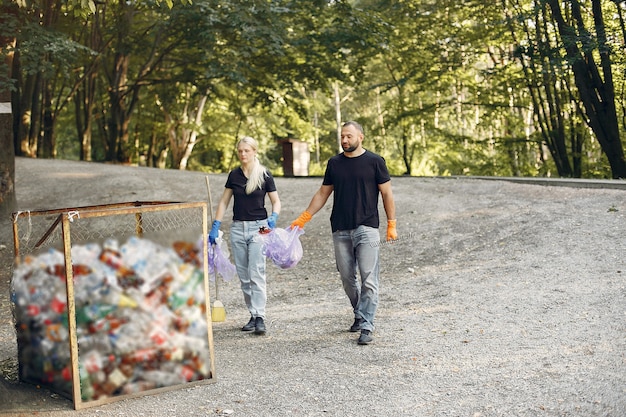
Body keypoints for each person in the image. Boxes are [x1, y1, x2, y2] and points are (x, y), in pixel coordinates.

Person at [291, 121, 397, 345]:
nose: (345, 140)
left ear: (361, 136)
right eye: (342, 137)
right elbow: (323, 193)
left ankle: (367, 324)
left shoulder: (375, 162)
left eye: (349, 136)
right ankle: (359, 312)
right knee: (347, 278)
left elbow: (387, 194)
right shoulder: (334, 164)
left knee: (369, 279)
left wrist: (391, 223)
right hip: (340, 228)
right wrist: (304, 217)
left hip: (367, 227)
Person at [210, 136, 281, 335]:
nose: (243, 154)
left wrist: (274, 217)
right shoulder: (234, 175)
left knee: (256, 271)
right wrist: (216, 224)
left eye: (246, 151)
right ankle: (252, 313)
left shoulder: (264, 174)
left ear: (254, 152)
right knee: (244, 275)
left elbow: (276, 201)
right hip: (238, 228)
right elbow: (224, 202)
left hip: (260, 227)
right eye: (240, 151)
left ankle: (260, 316)